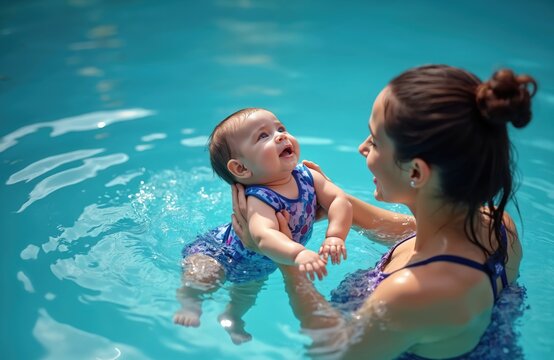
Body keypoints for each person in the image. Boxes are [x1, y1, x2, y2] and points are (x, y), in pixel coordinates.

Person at [231, 65, 536, 358]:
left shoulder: (412, 294)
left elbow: (335, 354)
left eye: (375, 141)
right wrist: (323, 193)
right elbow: (408, 232)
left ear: (416, 172)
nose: (362, 148)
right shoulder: (494, 223)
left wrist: (288, 263)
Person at [174, 108, 352, 344]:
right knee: (204, 278)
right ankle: (190, 302)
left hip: (261, 262)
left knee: (248, 292)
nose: (280, 136)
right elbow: (263, 236)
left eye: (280, 128)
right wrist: (298, 253)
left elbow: (340, 200)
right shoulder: (260, 198)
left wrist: (335, 236)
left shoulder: (307, 176)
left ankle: (232, 316)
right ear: (241, 169)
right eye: (263, 136)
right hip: (220, 252)